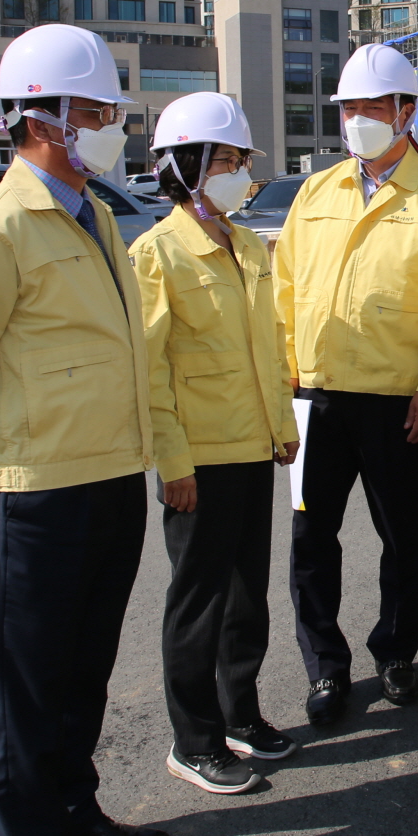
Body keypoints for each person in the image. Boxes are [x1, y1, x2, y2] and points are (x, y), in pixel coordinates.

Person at [0, 24, 171, 836]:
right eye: (97, 111)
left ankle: (76, 815)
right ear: (44, 119)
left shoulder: (93, 212)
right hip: (31, 492)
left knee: (83, 671)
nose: (111, 126)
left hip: (108, 476)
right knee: (30, 687)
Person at [274, 43, 418, 726]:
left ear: (407, 112)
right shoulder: (316, 192)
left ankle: (395, 653)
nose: (357, 120)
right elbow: (285, 287)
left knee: (400, 538)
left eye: (371, 108)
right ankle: (326, 667)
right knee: (310, 539)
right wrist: (286, 373)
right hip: (314, 397)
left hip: (397, 401)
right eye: (348, 108)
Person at [131, 92, 300, 796]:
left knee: (246, 598)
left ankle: (241, 714)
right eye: (227, 160)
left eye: (240, 161)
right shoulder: (158, 254)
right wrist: (172, 464)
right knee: (197, 604)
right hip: (196, 461)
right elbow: (151, 375)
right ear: (186, 165)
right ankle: (193, 740)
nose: (239, 173)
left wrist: (282, 431)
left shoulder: (242, 245)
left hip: (249, 450)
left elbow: (267, 347)